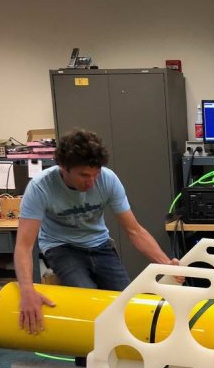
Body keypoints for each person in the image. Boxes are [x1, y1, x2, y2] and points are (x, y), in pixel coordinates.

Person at [14, 129, 179, 333]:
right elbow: (24, 246)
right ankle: (89, 351)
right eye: (84, 175)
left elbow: (135, 231)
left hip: (100, 244)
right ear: (63, 167)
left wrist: (166, 265)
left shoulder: (108, 180)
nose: (91, 182)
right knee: (88, 302)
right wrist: (27, 290)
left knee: (125, 304)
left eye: (95, 174)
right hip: (62, 247)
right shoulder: (40, 187)